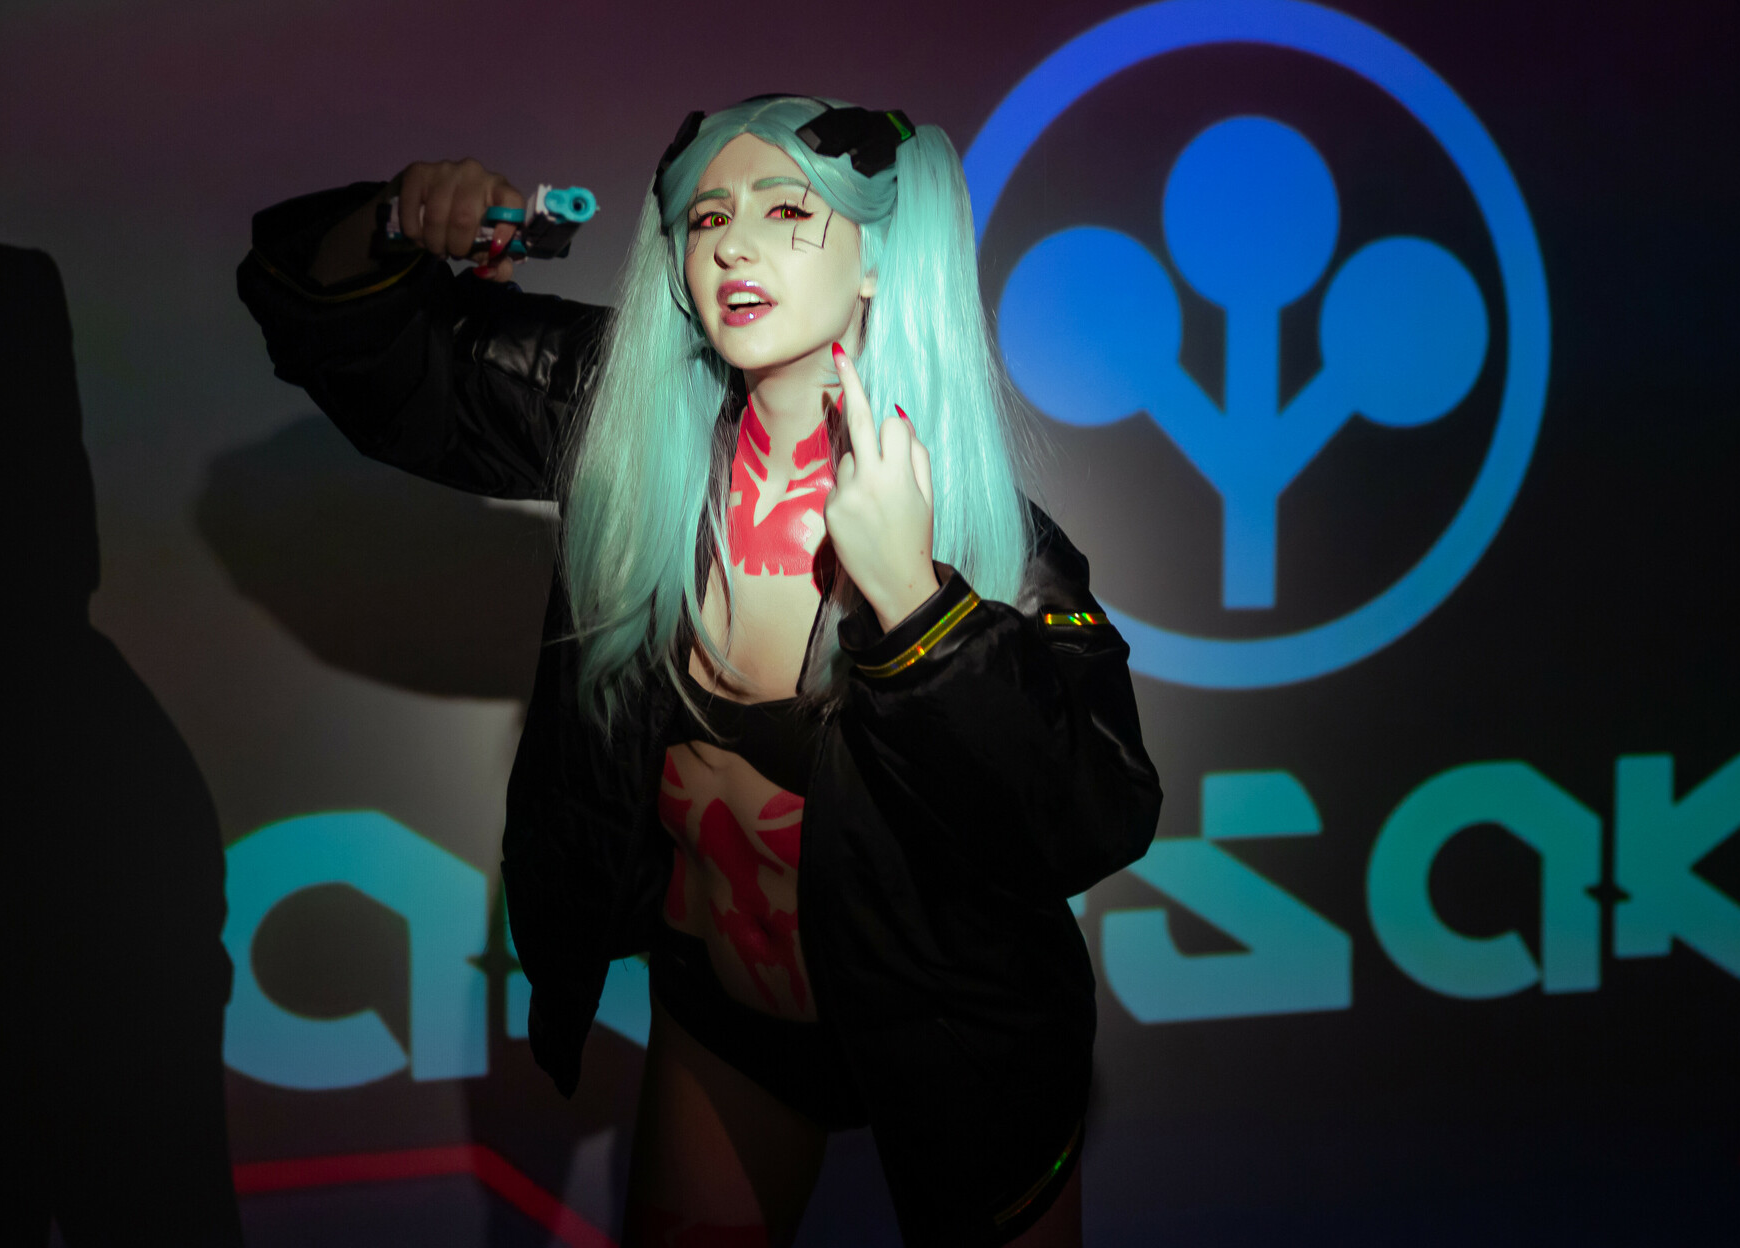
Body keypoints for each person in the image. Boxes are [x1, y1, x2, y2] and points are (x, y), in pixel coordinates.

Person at [236, 92, 1160, 1247]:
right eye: (708, 216)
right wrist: (392, 220)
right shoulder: (621, 421)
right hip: (729, 1031)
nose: (733, 244)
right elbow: (354, 348)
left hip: (965, 1044)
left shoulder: (987, 535)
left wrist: (920, 608)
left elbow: (1098, 811)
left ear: (880, 258)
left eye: (787, 210)